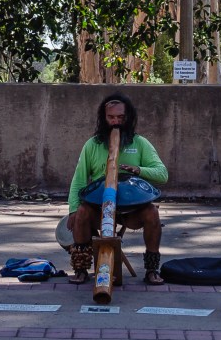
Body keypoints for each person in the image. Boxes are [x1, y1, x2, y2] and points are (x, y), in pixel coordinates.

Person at [66, 93, 169, 285]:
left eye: (120, 118)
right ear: (103, 118)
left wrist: (139, 170)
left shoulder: (139, 143)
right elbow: (79, 180)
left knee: (152, 213)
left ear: (128, 118)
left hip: (132, 211)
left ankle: (152, 269)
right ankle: (81, 270)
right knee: (81, 212)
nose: (115, 122)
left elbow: (162, 174)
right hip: (100, 208)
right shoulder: (92, 145)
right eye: (111, 117)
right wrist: (72, 209)